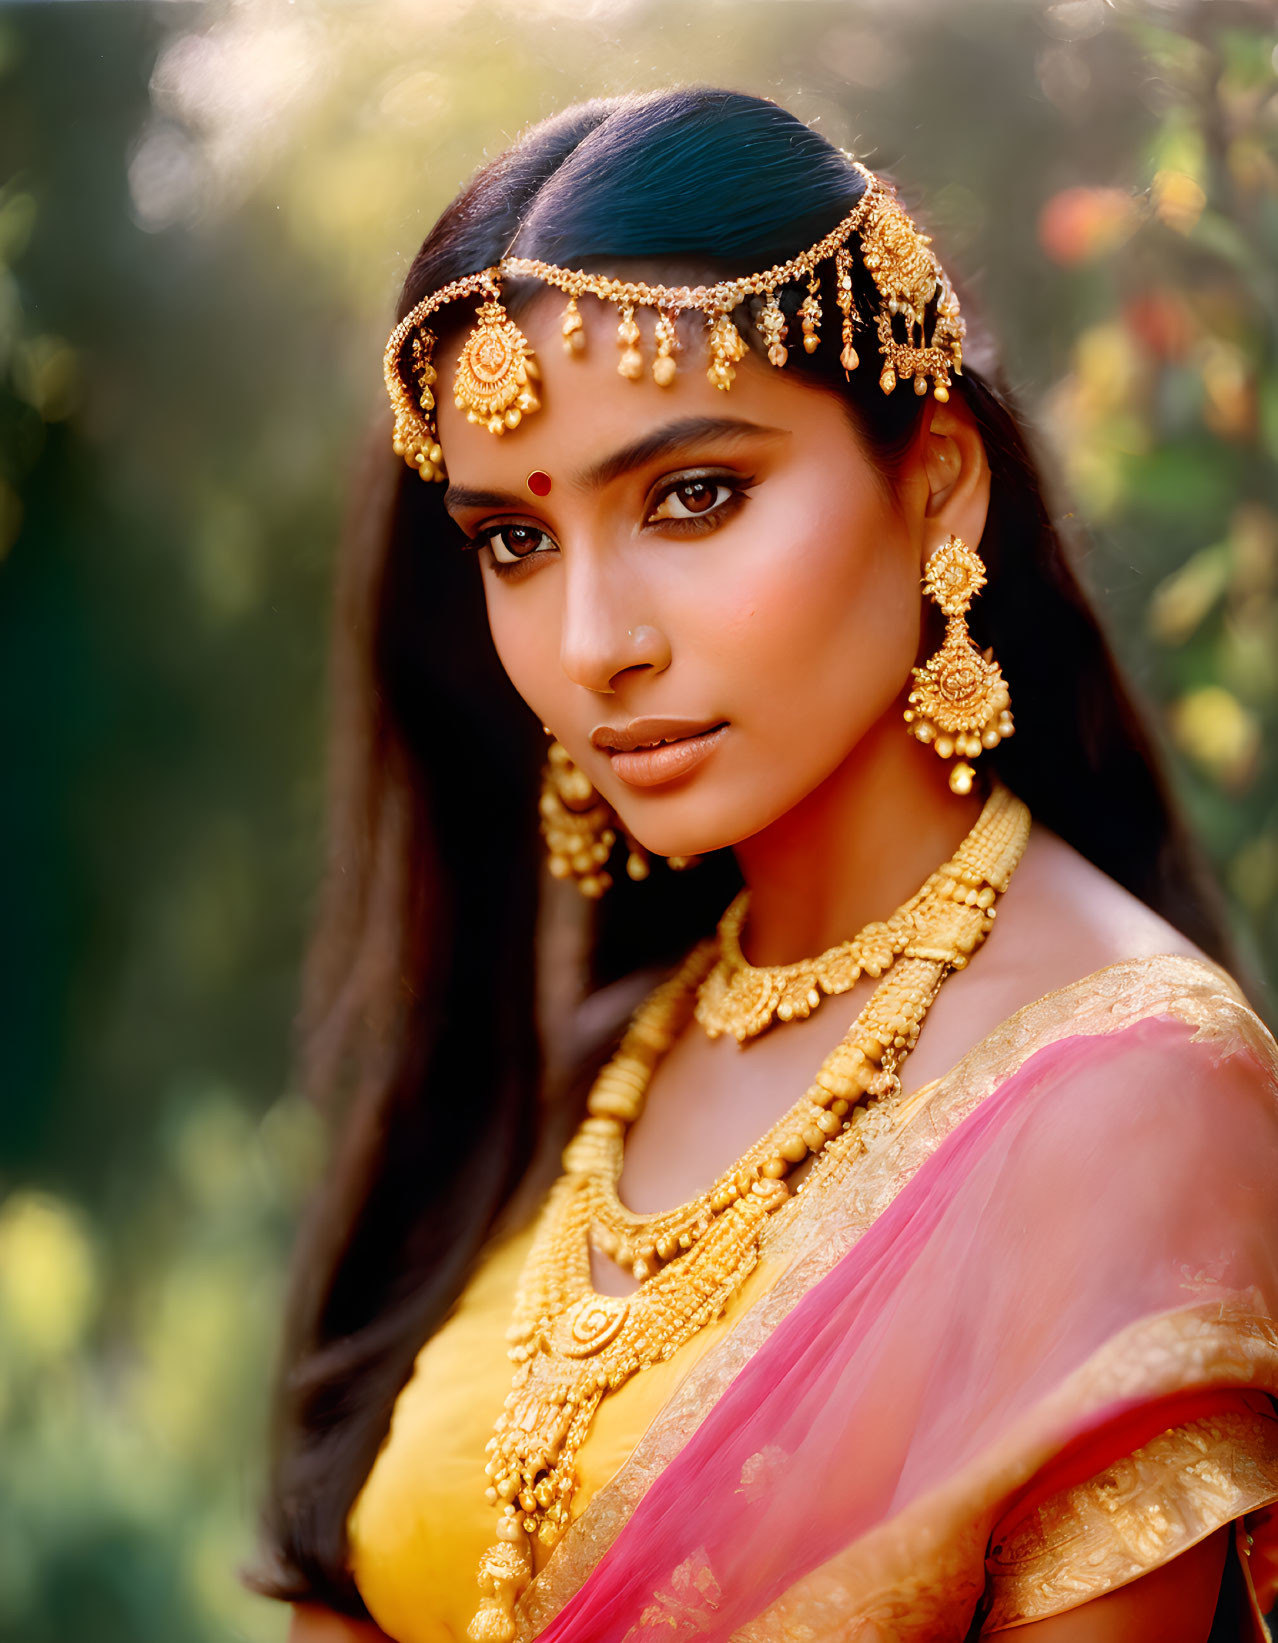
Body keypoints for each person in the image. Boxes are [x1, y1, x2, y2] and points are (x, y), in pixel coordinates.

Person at [245, 88, 1278, 1643]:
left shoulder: (1127, 1104)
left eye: (692, 496)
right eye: (513, 543)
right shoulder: (589, 1060)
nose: (597, 645)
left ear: (934, 477)